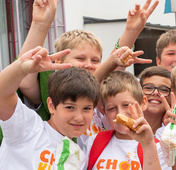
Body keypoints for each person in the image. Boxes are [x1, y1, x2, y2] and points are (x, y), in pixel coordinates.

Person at [16, 0, 157, 145]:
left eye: (95, 60)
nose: (89, 65)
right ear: (58, 62)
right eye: (80, 58)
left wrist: (131, 31)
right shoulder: (51, 91)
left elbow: (113, 67)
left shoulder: (102, 98)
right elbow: (25, 80)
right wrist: (40, 24)